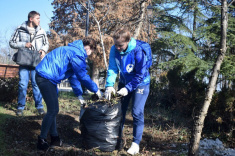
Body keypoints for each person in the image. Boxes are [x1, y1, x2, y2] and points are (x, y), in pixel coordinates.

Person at [35, 37, 102, 150]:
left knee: (53, 110)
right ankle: (41, 140)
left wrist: (79, 95)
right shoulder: (77, 53)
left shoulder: (72, 50)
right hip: (46, 78)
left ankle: (55, 138)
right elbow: (83, 76)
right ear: (89, 48)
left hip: (48, 79)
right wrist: (96, 90)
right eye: (91, 52)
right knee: (53, 110)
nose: (89, 55)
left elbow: (74, 76)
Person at [104, 28, 151, 155]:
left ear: (128, 41)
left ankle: (136, 144)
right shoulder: (114, 49)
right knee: (119, 110)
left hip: (140, 83)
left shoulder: (138, 51)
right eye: (116, 44)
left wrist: (128, 88)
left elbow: (140, 74)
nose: (118, 48)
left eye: (121, 45)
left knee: (136, 112)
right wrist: (109, 85)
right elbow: (113, 68)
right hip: (124, 81)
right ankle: (118, 139)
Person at [9, 11, 49, 116]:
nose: (39, 20)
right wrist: (24, 44)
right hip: (24, 60)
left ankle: (39, 107)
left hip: (36, 61)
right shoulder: (20, 29)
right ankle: (20, 108)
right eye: (37, 18)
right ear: (31, 19)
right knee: (23, 84)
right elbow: (12, 42)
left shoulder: (41, 31)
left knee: (36, 84)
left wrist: (43, 50)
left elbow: (46, 43)